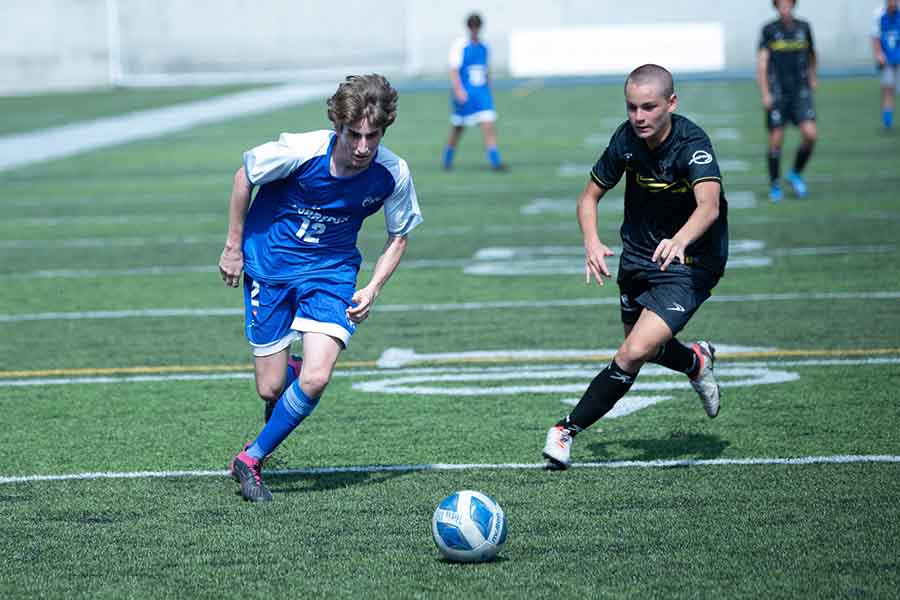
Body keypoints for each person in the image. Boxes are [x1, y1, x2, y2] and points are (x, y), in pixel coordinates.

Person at [218, 74, 423, 501]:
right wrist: (232, 247)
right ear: (338, 126)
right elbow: (244, 177)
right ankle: (286, 376)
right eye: (355, 135)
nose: (364, 146)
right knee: (270, 389)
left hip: (330, 274)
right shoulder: (301, 150)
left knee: (316, 377)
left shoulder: (392, 172)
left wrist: (373, 287)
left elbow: (399, 234)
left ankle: (249, 459)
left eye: (373, 135)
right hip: (269, 265)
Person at [541, 64, 728, 470]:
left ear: (671, 103)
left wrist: (680, 240)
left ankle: (564, 430)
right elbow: (588, 198)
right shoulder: (626, 140)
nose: (639, 117)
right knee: (645, 348)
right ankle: (696, 361)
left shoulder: (692, 143)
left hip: (691, 262)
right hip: (639, 257)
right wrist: (591, 241)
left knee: (632, 351)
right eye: (632, 107)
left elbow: (708, 206)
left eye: (649, 107)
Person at [756, 0, 818, 202]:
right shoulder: (769, 30)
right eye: (781, 3)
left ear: (793, 4)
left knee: (810, 134)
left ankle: (795, 173)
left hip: (800, 91)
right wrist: (765, 92)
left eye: (788, 3)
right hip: (778, 93)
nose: (785, 6)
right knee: (776, 139)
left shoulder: (804, 27)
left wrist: (813, 76)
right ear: (776, 6)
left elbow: (812, 54)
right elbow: (763, 63)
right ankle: (775, 184)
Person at [442, 12, 506, 171]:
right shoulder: (460, 46)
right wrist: (458, 91)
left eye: (477, 27)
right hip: (465, 93)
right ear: (468, 27)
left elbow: (486, 70)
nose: (475, 30)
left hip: (482, 95)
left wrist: (489, 86)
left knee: (488, 125)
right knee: (458, 128)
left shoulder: (485, 47)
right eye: (472, 26)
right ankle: (447, 158)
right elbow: (454, 71)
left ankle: (496, 162)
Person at [872, 0, 900, 130]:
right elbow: (875, 37)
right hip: (887, 60)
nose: (893, 3)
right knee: (888, 91)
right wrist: (878, 54)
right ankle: (887, 122)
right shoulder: (879, 15)